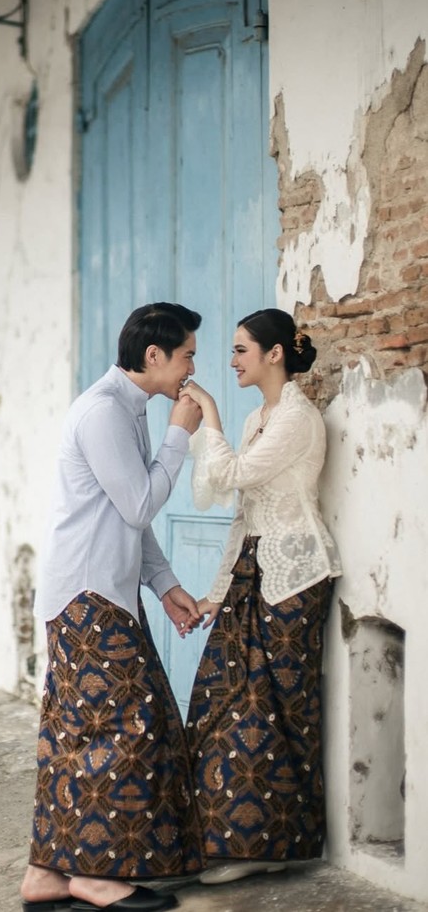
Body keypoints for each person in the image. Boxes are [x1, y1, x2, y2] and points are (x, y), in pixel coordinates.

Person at [20, 303, 206, 912]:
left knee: (76, 732)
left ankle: (47, 875)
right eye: (186, 356)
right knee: (126, 728)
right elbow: (139, 503)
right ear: (154, 357)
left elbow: (130, 517)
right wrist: (181, 433)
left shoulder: (127, 409)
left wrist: (166, 584)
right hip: (88, 596)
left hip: (101, 592)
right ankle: (97, 876)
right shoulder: (103, 412)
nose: (191, 368)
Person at [179, 308, 342, 885]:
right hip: (252, 573)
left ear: (275, 354)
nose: (231, 361)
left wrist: (211, 417)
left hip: (297, 575)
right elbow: (241, 517)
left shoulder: (297, 417)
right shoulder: (259, 419)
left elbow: (239, 474)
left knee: (278, 713)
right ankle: (229, 839)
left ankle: (276, 845)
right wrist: (214, 593)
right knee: (222, 701)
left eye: (241, 350)